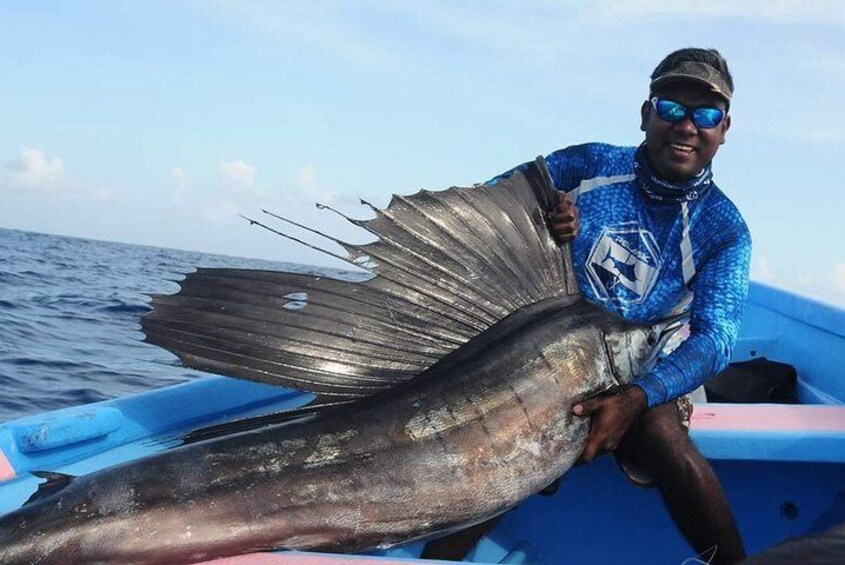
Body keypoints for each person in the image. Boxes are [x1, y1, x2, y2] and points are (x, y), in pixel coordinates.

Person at [422, 47, 751, 564]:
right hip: (551, 362)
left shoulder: (724, 228)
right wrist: (534, 218)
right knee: (514, 435)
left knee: (658, 428)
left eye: (705, 115)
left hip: (650, 369)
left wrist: (639, 395)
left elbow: (715, 341)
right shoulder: (586, 165)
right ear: (646, 114)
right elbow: (486, 207)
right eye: (671, 108)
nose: (686, 125)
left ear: (724, 129)